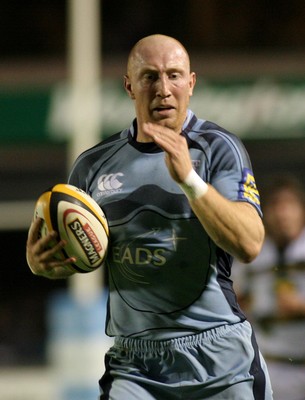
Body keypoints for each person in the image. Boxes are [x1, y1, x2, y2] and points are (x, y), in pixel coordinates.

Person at [26, 34, 273, 399]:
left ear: (191, 83)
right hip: (136, 366)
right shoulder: (93, 166)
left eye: (174, 75)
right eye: (150, 77)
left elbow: (250, 243)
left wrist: (189, 180)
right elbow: (82, 251)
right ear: (129, 85)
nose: (163, 89)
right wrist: (42, 262)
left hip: (221, 361)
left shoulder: (219, 148)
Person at [233, 175, 305, 400]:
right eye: (275, 206)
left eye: (288, 205)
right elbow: (233, 301)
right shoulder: (251, 254)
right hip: (270, 366)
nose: (282, 214)